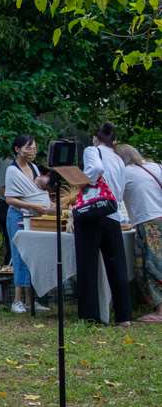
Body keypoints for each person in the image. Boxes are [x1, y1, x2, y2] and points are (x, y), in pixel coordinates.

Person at [75, 122, 133, 325]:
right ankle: (124, 316)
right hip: (112, 214)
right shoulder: (118, 159)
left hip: (92, 213)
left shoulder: (92, 150)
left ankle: (90, 316)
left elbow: (96, 169)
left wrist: (83, 181)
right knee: (117, 266)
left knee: (87, 265)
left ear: (95, 138)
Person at [3, 135, 52, 314]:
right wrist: (32, 205)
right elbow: (10, 199)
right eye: (28, 147)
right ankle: (17, 301)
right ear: (17, 149)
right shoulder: (12, 171)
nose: (32, 150)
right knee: (19, 255)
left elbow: (37, 191)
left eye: (34, 147)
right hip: (17, 216)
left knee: (33, 256)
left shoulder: (34, 168)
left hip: (34, 217)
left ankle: (32, 300)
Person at [116, 144, 162, 323]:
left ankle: (160, 312)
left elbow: (114, 198)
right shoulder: (157, 166)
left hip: (149, 222)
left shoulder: (125, 173)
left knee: (153, 266)